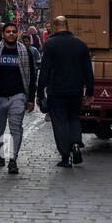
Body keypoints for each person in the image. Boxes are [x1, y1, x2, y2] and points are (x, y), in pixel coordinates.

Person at [37, 15, 95, 168]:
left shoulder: (50, 44)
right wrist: (90, 92)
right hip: (76, 90)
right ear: (67, 26)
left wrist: (40, 93)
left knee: (60, 122)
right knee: (74, 117)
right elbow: (88, 71)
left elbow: (44, 70)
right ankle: (75, 143)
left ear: (55, 26)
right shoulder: (81, 44)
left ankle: (65, 156)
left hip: (56, 91)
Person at [0, 21, 37, 175]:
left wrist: (31, 98)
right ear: (3, 34)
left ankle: (13, 159)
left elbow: (32, 77)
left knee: (16, 127)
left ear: (17, 33)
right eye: (8, 31)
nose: (11, 34)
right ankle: (0, 152)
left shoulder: (25, 52)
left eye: (14, 31)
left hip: (18, 96)